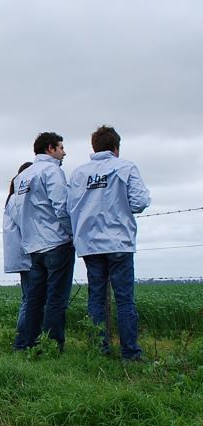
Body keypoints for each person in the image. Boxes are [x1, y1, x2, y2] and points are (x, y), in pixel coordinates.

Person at [68, 125, 150, 361]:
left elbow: (69, 207)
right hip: (119, 241)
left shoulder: (79, 173)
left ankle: (98, 350)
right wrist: (119, 206)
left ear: (94, 147)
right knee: (124, 300)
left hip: (90, 243)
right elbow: (140, 202)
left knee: (96, 298)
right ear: (116, 147)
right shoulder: (125, 167)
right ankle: (130, 353)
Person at [13, 132, 75, 351]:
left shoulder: (22, 177)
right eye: (61, 148)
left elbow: (19, 211)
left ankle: (27, 344)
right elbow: (61, 207)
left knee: (34, 299)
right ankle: (52, 346)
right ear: (50, 148)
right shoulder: (52, 171)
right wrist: (72, 233)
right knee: (56, 299)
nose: (64, 152)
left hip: (33, 246)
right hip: (56, 242)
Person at [3, 162, 33, 349]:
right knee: (30, 300)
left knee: (29, 298)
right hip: (26, 255)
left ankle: (25, 341)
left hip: (23, 255)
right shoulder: (17, 199)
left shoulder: (12, 198)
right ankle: (22, 342)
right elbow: (26, 223)